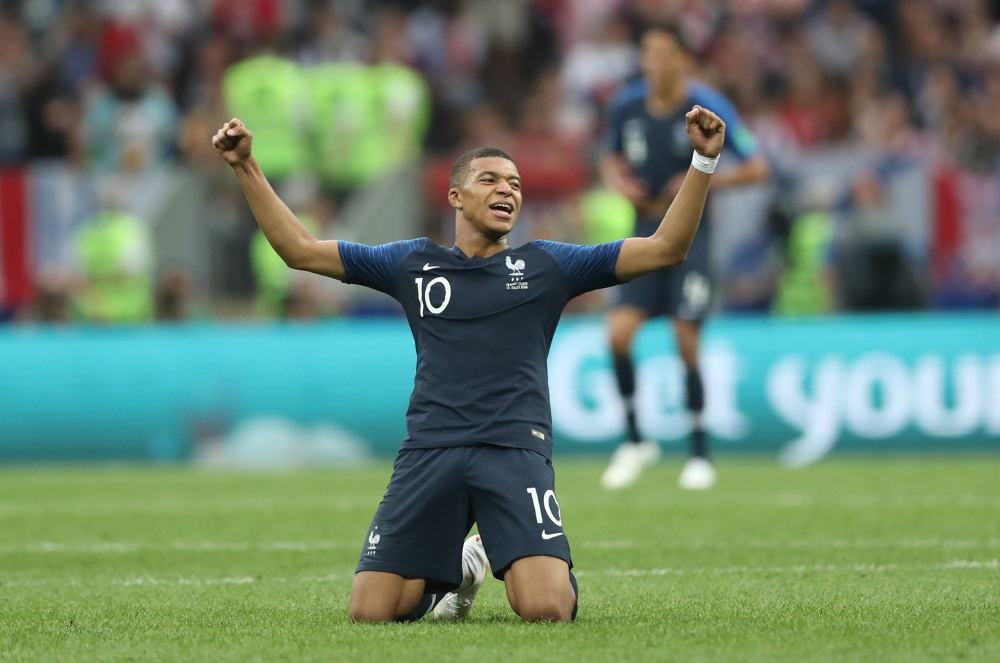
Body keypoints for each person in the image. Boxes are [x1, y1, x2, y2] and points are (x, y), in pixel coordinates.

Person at [212, 102, 727, 622]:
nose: (508, 190)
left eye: (516, 184)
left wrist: (702, 163)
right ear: (456, 197)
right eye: (490, 179)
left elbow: (666, 248)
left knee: (545, 609)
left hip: (513, 451)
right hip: (430, 450)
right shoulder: (411, 263)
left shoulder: (548, 265)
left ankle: (497, 555)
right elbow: (299, 250)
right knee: (370, 614)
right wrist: (245, 166)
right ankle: (458, 571)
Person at [599, 23, 770, 491]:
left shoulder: (709, 107)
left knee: (685, 338)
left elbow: (757, 166)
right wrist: (620, 184)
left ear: (683, 60)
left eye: (662, 54)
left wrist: (702, 175)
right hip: (641, 234)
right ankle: (635, 441)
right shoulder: (626, 104)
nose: (653, 63)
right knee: (617, 334)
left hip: (691, 239)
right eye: (647, 53)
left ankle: (699, 453)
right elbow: (607, 157)